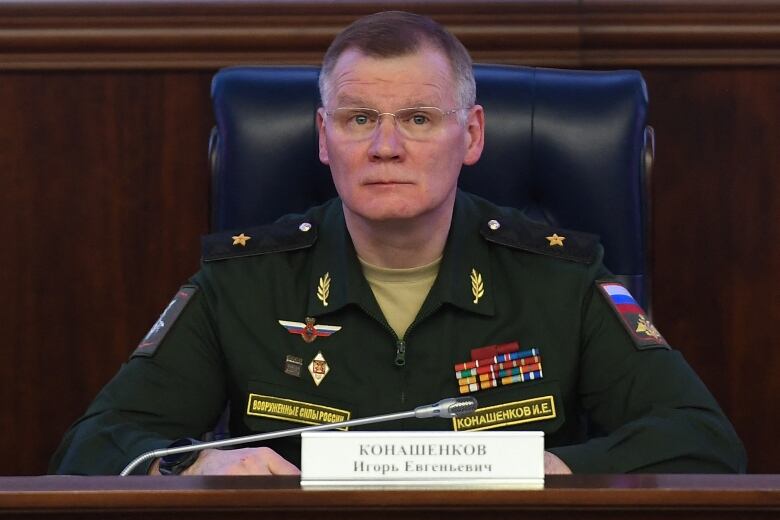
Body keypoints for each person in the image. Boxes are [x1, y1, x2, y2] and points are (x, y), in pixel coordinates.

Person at [50, 11, 746, 476]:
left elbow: (704, 442)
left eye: (418, 118)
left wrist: (567, 469)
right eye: (358, 119)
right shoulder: (245, 281)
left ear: (470, 135)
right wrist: (191, 465)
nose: (386, 147)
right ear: (325, 139)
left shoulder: (558, 277)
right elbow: (90, 447)